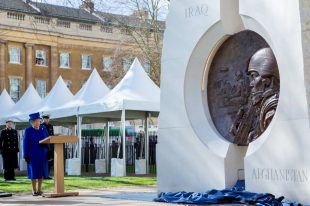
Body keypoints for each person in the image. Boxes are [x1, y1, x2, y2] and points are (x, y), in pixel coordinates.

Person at [23, 112, 49, 196]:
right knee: (33, 173)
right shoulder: (28, 130)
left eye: (39, 120)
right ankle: (34, 190)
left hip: (42, 154)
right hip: (32, 155)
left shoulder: (43, 128)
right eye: (36, 121)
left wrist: (49, 151)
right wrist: (26, 155)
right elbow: (25, 143)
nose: (38, 122)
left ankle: (39, 189)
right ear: (32, 122)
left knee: (41, 172)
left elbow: (48, 139)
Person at [41, 113, 54, 180]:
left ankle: (47, 175)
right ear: (43, 119)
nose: (47, 120)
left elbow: (52, 136)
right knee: (44, 161)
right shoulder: (41, 126)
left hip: (50, 146)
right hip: (44, 146)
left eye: (48, 118)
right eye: (45, 118)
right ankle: (43, 175)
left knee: (49, 161)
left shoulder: (51, 126)